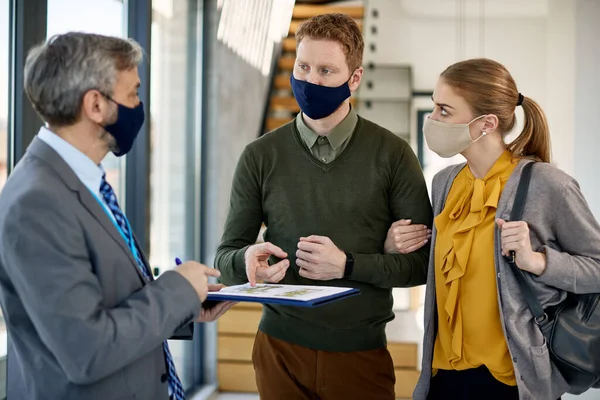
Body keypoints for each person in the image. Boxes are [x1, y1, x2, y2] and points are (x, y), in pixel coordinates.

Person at [0, 32, 234, 400]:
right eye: (133, 94)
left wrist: (186, 302)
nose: (139, 106)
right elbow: (86, 350)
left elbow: (106, 303)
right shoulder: (36, 203)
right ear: (95, 105)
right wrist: (176, 290)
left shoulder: (82, 179)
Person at [214, 13, 432, 400]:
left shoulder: (394, 156)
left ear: (355, 78)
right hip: (278, 352)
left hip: (360, 355)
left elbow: (420, 267)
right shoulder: (259, 156)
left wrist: (348, 264)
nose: (310, 81)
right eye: (303, 67)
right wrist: (246, 262)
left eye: (326, 70)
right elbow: (226, 257)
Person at [385, 58, 600, 400]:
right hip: (443, 378)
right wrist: (394, 244)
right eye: (434, 108)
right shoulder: (444, 184)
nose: (433, 120)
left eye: (444, 110)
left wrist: (539, 262)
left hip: (511, 382)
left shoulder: (547, 184)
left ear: (486, 123)